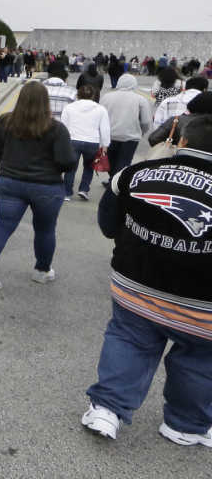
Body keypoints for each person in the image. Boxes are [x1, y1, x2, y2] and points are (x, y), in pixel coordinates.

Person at [81, 114, 212, 445]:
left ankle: (107, 409)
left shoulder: (136, 173)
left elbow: (109, 224)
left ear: (182, 142)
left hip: (135, 285)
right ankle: (185, 425)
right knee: (199, 361)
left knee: (129, 340)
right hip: (202, 303)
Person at [0, 82, 77, 290]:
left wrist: (9, 163)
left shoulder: (5, 122)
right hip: (46, 187)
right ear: (45, 103)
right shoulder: (56, 129)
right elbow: (67, 161)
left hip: (10, 182)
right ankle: (42, 271)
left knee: (3, 225)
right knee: (45, 230)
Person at [61, 84, 111, 202]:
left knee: (71, 168)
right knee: (89, 167)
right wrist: (105, 145)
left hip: (73, 140)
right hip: (92, 142)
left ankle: (67, 193)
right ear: (93, 95)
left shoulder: (69, 107)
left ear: (78, 95)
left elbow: (63, 126)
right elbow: (105, 128)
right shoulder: (100, 109)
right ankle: (84, 189)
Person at [100, 74, 153, 177]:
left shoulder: (106, 97)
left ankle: (112, 179)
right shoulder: (140, 99)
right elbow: (146, 121)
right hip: (130, 137)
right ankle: (116, 183)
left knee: (111, 161)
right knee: (124, 162)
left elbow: (100, 116)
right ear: (134, 84)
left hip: (110, 136)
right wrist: (141, 132)